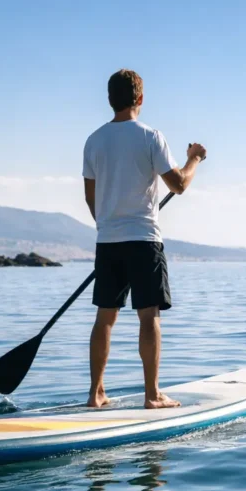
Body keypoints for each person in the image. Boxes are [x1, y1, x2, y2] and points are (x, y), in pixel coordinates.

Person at [82, 69, 206, 408]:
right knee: (148, 315)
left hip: (107, 241)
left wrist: (108, 225)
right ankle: (152, 395)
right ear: (140, 98)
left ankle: (96, 394)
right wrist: (194, 158)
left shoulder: (93, 141)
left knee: (104, 317)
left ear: (110, 99)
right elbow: (178, 185)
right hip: (143, 240)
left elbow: (90, 197)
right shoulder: (151, 136)